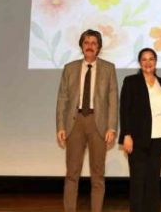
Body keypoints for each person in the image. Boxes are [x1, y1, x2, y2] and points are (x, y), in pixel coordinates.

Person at [56, 29, 118, 212]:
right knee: (72, 173)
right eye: (86, 42)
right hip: (74, 123)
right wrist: (60, 126)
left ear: (99, 47)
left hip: (98, 124)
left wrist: (112, 127)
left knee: (98, 175)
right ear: (81, 46)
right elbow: (62, 99)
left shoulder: (108, 68)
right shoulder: (69, 68)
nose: (90, 46)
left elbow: (113, 99)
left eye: (93, 43)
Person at [119, 48, 161, 212]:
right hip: (137, 139)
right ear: (140, 63)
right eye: (144, 59)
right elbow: (124, 110)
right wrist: (126, 135)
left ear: (156, 62)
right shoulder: (131, 81)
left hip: (159, 138)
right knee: (138, 181)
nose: (148, 63)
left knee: (153, 181)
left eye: (151, 59)